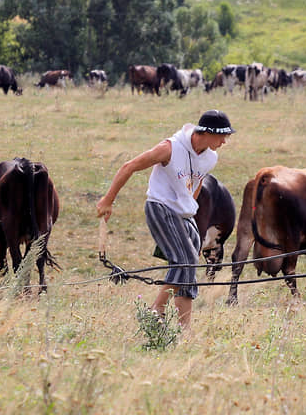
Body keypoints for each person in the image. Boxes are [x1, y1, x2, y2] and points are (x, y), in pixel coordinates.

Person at [96, 110, 235, 330]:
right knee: (186, 259)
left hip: (183, 213)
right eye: (222, 135)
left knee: (188, 268)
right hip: (160, 207)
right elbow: (129, 166)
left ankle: (184, 330)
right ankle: (156, 310)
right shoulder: (169, 148)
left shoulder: (210, 157)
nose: (225, 141)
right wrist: (107, 200)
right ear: (207, 133)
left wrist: (189, 208)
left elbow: (196, 183)